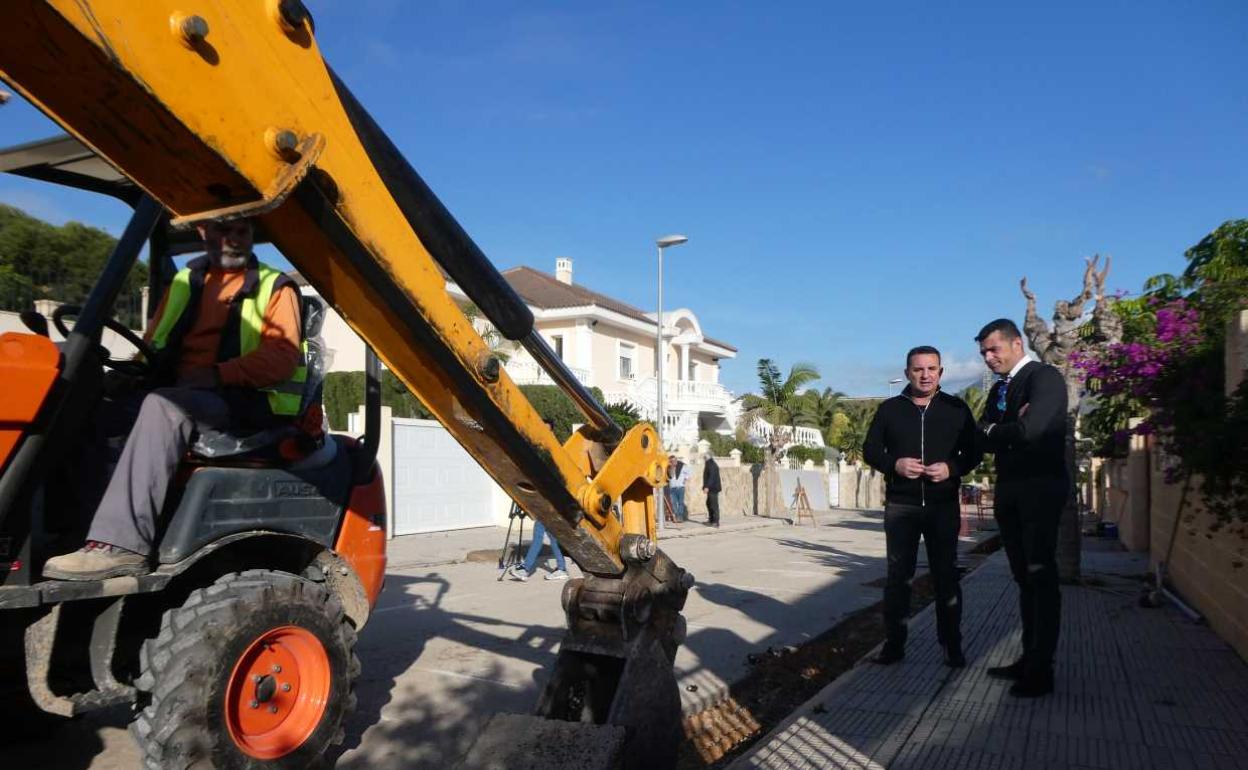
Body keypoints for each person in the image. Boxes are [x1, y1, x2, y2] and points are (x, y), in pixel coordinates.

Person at [43, 218, 304, 581]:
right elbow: (154, 344)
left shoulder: (275, 286)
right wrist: (127, 375)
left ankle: (122, 546)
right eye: (221, 231)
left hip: (244, 402)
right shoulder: (185, 282)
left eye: (241, 232)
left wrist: (218, 374)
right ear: (202, 232)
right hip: (185, 392)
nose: (232, 240)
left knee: (165, 408)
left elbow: (281, 357)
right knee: (93, 408)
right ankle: (75, 529)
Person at [864, 345, 982, 668]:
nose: (925, 374)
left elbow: (974, 452)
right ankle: (894, 645)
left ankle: (952, 645)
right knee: (898, 577)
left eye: (932, 368)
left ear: (941, 372)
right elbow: (870, 450)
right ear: (907, 373)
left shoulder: (956, 409)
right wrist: (895, 465)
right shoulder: (890, 409)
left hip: (943, 507)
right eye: (918, 369)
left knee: (946, 577)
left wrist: (951, 469)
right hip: (901, 506)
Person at [975, 318, 1069, 698]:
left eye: (993, 349)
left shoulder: (1044, 377)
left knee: (1040, 577)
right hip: (1010, 491)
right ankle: (1028, 658)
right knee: (1024, 580)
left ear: (1017, 343)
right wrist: (1004, 428)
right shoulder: (1002, 388)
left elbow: (1031, 432)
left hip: (1040, 490)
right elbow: (979, 434)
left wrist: (998, 430)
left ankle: (1041, 670)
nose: (987, 357)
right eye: (983, 352)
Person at [668, 453, 691, 522]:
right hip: (672, 487)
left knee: (680, 502)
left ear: (676, 460)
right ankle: (676, 515)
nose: (673, 462)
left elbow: (689, 472)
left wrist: (685, 480)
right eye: (671, 461)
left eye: (674, 460)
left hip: (680, 487)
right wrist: (672, 467)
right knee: (673, 503)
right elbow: (670, 476)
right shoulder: (669, 467)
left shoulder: (682, 466)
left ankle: (680, 517)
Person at [702, 453, 721, 527]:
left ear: (707, 457)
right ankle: (711, 519)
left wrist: (707, 487)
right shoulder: (709, 463)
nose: (703, 459)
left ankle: (716, 521)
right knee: (709, 503)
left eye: (704, 457)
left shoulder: (711, 464)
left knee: (713, 505)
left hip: (713, 488)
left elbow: (711, 477)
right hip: (712, 488)